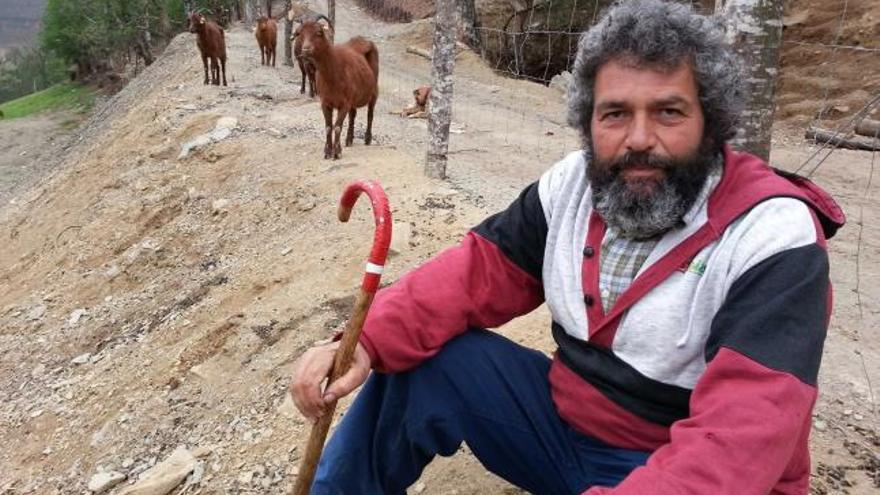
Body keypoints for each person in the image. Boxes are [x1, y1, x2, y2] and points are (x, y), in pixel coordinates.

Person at [289, 0, 845, 493]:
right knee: (425, 361)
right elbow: (478, 271)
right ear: (588, 121)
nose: (639, 139)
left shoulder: (773, 235)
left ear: (712, 121)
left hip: (683, 465)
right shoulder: (575, 185)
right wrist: (365, 341)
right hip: (564, 430)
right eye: (615, 113)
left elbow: (742, 438)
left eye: (669, 112)